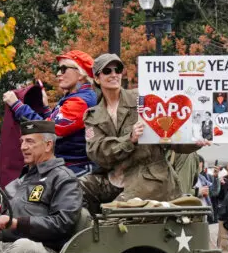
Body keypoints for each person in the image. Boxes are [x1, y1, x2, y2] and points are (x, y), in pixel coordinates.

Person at [82, 53, 207, 206]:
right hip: (113, 179)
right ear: (96, 78)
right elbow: (97, 152)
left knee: (115, 213)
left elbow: (172, 139)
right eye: (107, 71)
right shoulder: (93, 115)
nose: (114, 74)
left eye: (118, 70)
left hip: (149, 179)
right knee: (74, 190)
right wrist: (130, 139)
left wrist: (195, 141)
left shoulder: (144, 99)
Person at [0, 120, 83, 253]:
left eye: (30, 141)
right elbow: (2, 218)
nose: (23, 147)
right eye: (22, 141)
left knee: (23, 247)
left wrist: (17, 223)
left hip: (44, 252)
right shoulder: (21, 180)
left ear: (48, 145)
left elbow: (64, 222)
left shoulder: (63, 178)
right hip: (5, 245)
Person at [4, 49, 99, 176]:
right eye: (58, 69)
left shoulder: (80, 101)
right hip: (67, 166)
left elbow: (47, 131)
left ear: (80, 74)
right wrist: (45, 108)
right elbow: (55, 126)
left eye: (64, 69)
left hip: (76, 168)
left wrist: (17, 106)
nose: (58, 74)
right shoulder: (76, 97)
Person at [195, 163, 223, 253]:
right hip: (195, 220)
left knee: (212, 248)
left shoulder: (206, 178)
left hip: (210, 219)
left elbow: (215, 192)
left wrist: (216, 178)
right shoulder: (186, 178)